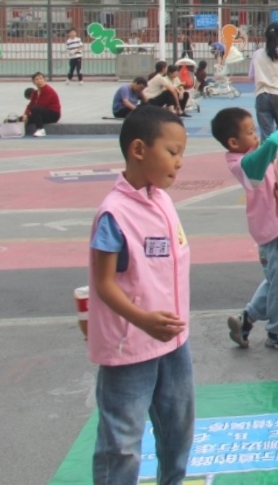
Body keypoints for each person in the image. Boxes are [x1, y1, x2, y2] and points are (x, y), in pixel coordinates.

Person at [87, 106, 192, 483]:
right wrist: (143, 320)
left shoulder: (161, 199)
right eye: (172, 151)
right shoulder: (114, 214)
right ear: (138, 149)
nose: (179, 163)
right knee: (122, 442)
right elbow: (103, 283)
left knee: (177, 431)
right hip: (130, 348)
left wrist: (166, 326)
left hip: (174, 341)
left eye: (182, 153)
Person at [213, 108, 278, 351]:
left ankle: (247, 318)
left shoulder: (250, 154)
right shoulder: (245, 164)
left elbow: (273, 148)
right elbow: (273, 141)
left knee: (276, 279)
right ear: (233, 142)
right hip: (275, 228)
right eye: (251, 132)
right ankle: (277, 332)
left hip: (274, 225)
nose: (256, 136)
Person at [22, 72, 62, 136]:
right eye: (37, 79)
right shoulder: (35, 92)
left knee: (35, 109)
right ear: (33, 82)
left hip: (53, 114)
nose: (39, 81)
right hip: (41, 113)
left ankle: (40, 130)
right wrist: (25, 114)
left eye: (41, 78)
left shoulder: (48, 90)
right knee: (21, 118)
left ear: (44, 80)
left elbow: (41, 105)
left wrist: (30, 114)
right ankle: (5, 130)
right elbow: (30, 105)